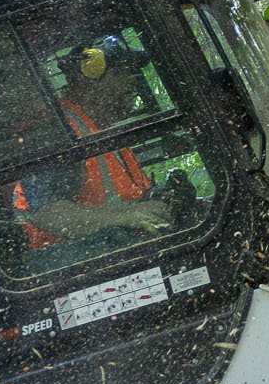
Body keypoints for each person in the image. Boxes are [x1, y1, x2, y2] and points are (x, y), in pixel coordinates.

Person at [11, 37, 167, 249]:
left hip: (110, 246)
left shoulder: (95, 127)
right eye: (121, 73)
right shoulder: (57, 131)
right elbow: (50, 215)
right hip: (67, 260)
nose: (132, 80)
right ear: (89, 78)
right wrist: (123, 216)